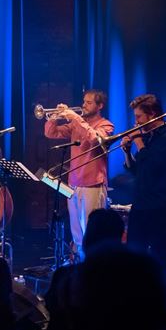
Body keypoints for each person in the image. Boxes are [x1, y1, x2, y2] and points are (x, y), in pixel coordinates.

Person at [43, 90, 114, 260]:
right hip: (74, 182)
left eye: (89, 102)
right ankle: (80, 266)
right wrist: (54, 116)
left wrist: (75, 117)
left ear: (100, 106)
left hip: (93, 183)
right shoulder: (77, 124)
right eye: (84, 101)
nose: (83, 105)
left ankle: (94, 265)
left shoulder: (106, 125)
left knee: (92, 230)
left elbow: (94, 139)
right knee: (76, 232)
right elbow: (50, 133)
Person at [121, 93, 166, 284]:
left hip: (160, 207)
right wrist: (127, 152)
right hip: (141, 204)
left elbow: (155, 167)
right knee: (133, 256)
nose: (136, 122)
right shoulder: (149, 138)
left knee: (161, 256)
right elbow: (138, 171)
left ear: (153, 114)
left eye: (139, 117)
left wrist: (139, 144)